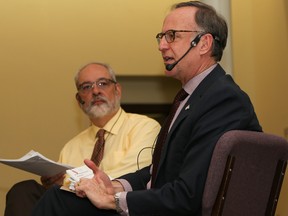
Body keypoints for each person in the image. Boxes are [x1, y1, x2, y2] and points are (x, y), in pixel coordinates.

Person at [31, 1, 263, 216]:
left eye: (172, 36)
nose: (162, 46)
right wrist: (114, 185)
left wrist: (114, 200)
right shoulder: (194, 96)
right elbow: (158, 172)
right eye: (161, 36)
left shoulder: (222, 99)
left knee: (57, 201)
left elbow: (190, 194)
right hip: (160, 205)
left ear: (204, 43)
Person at [4, 62, 160, 216]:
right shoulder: (71, 147)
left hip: (115, 207)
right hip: (74, 206)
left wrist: (79, 185)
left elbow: (136, 177)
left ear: (117, 90)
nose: (96, 91)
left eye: (103, 83)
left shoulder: (144, 127)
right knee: (24, 190)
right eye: (86, 87)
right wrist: (58, 182)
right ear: (79, 100)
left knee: (57, 196)